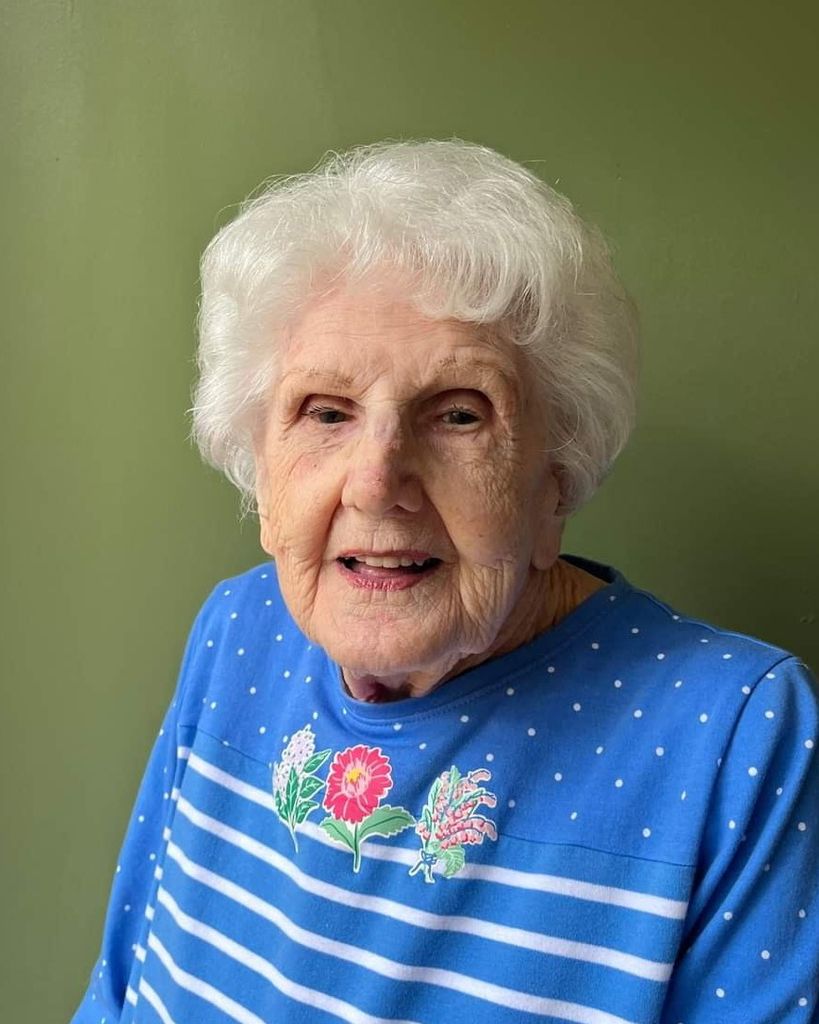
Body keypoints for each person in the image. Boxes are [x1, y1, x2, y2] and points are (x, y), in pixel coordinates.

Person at [71, 140, 818, 1024]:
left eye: (459, 414)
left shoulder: (733, 735)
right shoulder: (237, 628)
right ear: (260, 472)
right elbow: (119, 992)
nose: (376, 481)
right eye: (326, 412)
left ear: (555, 480)